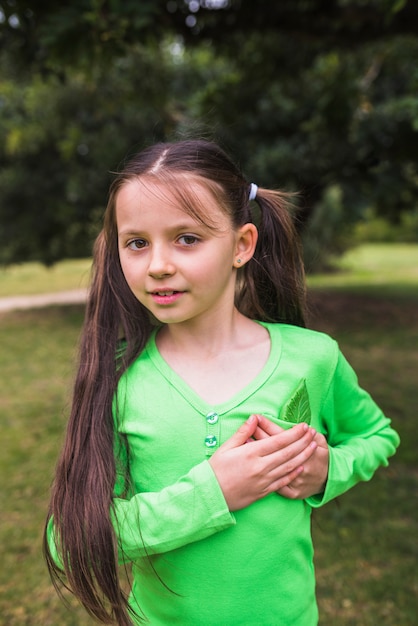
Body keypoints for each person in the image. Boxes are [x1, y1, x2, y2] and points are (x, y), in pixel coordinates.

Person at [44, 139, 400, 626]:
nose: (158, 265)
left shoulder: (313, 358)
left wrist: (328, 471)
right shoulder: (119, 380)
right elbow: (68, 542)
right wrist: (211, 493)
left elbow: (377, 436)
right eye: (137, 243)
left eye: (187, 238)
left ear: (242, 245)